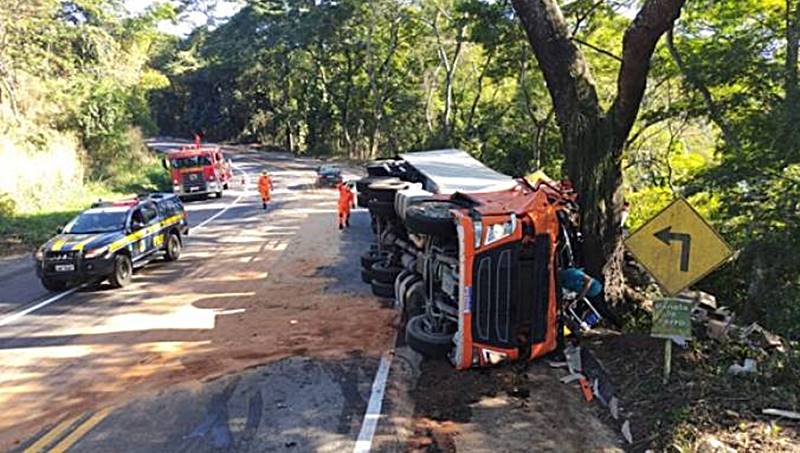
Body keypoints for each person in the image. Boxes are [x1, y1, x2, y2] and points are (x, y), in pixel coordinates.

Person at [558, 267, 622, 329]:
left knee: (603, 310)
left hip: (596, 290)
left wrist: (582, 294)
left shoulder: (572, 273)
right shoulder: (564, 283)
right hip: (588, 295)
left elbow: (589, 280)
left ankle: (618, 324)